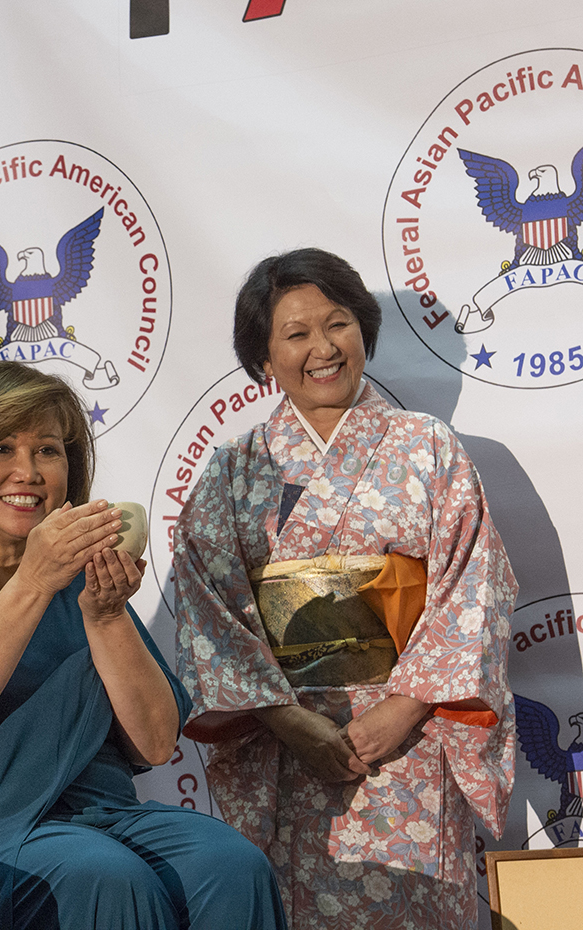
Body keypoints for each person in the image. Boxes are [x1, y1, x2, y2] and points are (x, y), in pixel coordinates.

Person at [0, 361, 286, 929]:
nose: (28, 471)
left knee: (233, 865)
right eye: (1, 449)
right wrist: (33, 583)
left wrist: (105, 613)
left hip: (109, 816)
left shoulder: (80, 571)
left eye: (47, 450)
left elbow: (157, 743)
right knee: (107, 876)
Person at [172, 248, 516, 928]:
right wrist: (286, 719)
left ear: (363, 329)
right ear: (264, 360)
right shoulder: (235, 470)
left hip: (410, 742)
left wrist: (402, 709)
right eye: (296, 334)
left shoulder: (427, 448)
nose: (323, 348)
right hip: (286, 744)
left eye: (338, 324)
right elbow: (207, 608)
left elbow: (473, 591)